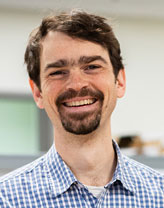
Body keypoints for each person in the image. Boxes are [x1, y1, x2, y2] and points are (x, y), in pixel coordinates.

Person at [0, 9, 164, 208]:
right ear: (37, 93)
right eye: (58, 72)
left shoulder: (160, 195)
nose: (76, 84)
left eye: (92, 67)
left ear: (119, 81)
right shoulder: (7, 199)